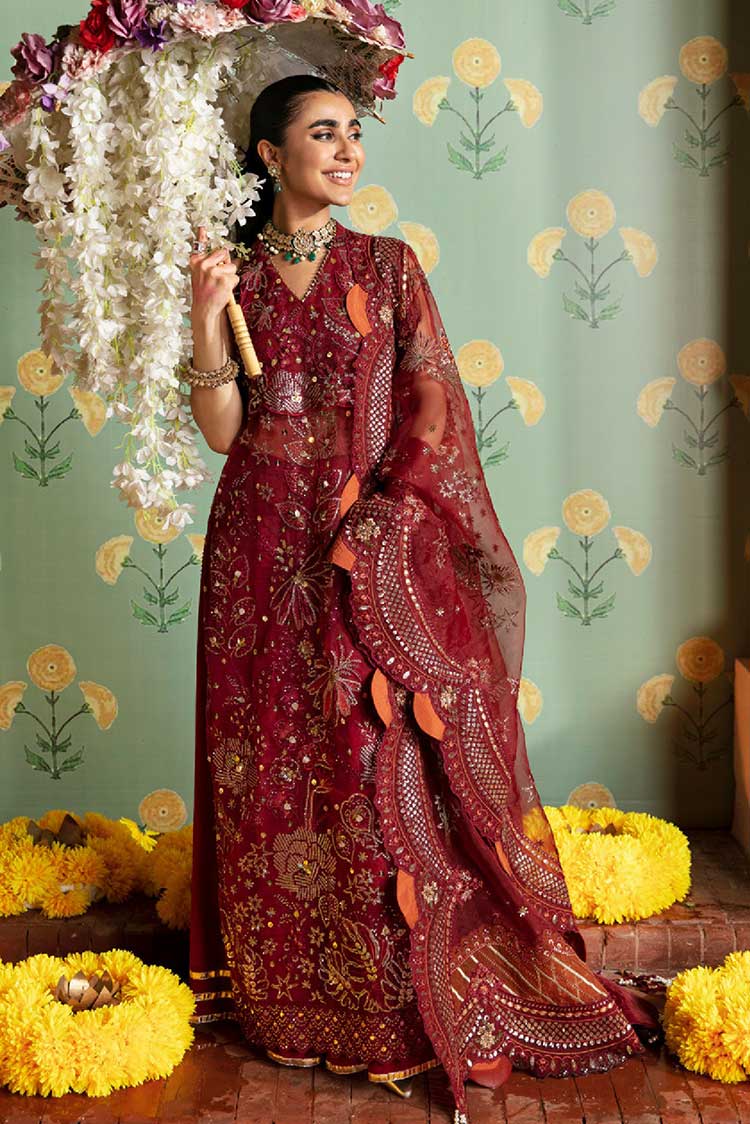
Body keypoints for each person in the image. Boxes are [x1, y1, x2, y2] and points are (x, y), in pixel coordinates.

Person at [186, 73, 662, 1124]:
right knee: (270, 758)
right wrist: (206, 317)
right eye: (323, 134)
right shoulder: (235, 272)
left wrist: (386, 515)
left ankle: (392, 993)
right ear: (269, 155)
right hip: (257, 549)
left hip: (365, 547)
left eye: (353, 133)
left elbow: (433, 403)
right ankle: (286, 995)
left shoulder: (386, 266)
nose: (347, 151)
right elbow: (224, 432)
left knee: (368, 756)